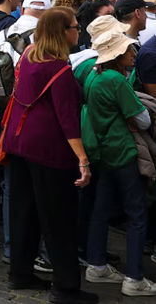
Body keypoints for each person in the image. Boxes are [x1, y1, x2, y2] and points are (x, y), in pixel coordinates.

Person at [1, 6, 93, 302]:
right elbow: (68, 120)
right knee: (59, 219)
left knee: (24, 212)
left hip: (20, 142)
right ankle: (66, 287)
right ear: (62, 31)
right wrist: (83, 159)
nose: (78, 31)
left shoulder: (29, 55)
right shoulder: (60, 70)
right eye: (75, 27)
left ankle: (20, 272)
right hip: (48, 151)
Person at [81, 27, 156, 295]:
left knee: (101, 210)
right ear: (118, 54)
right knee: (136, 213)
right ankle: (134, 279)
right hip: (122, 150)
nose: (134, 53)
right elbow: (142, 118)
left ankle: (97, 265)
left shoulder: (93, 75)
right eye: (128, 49)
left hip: (102, 151)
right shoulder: (116, 80)